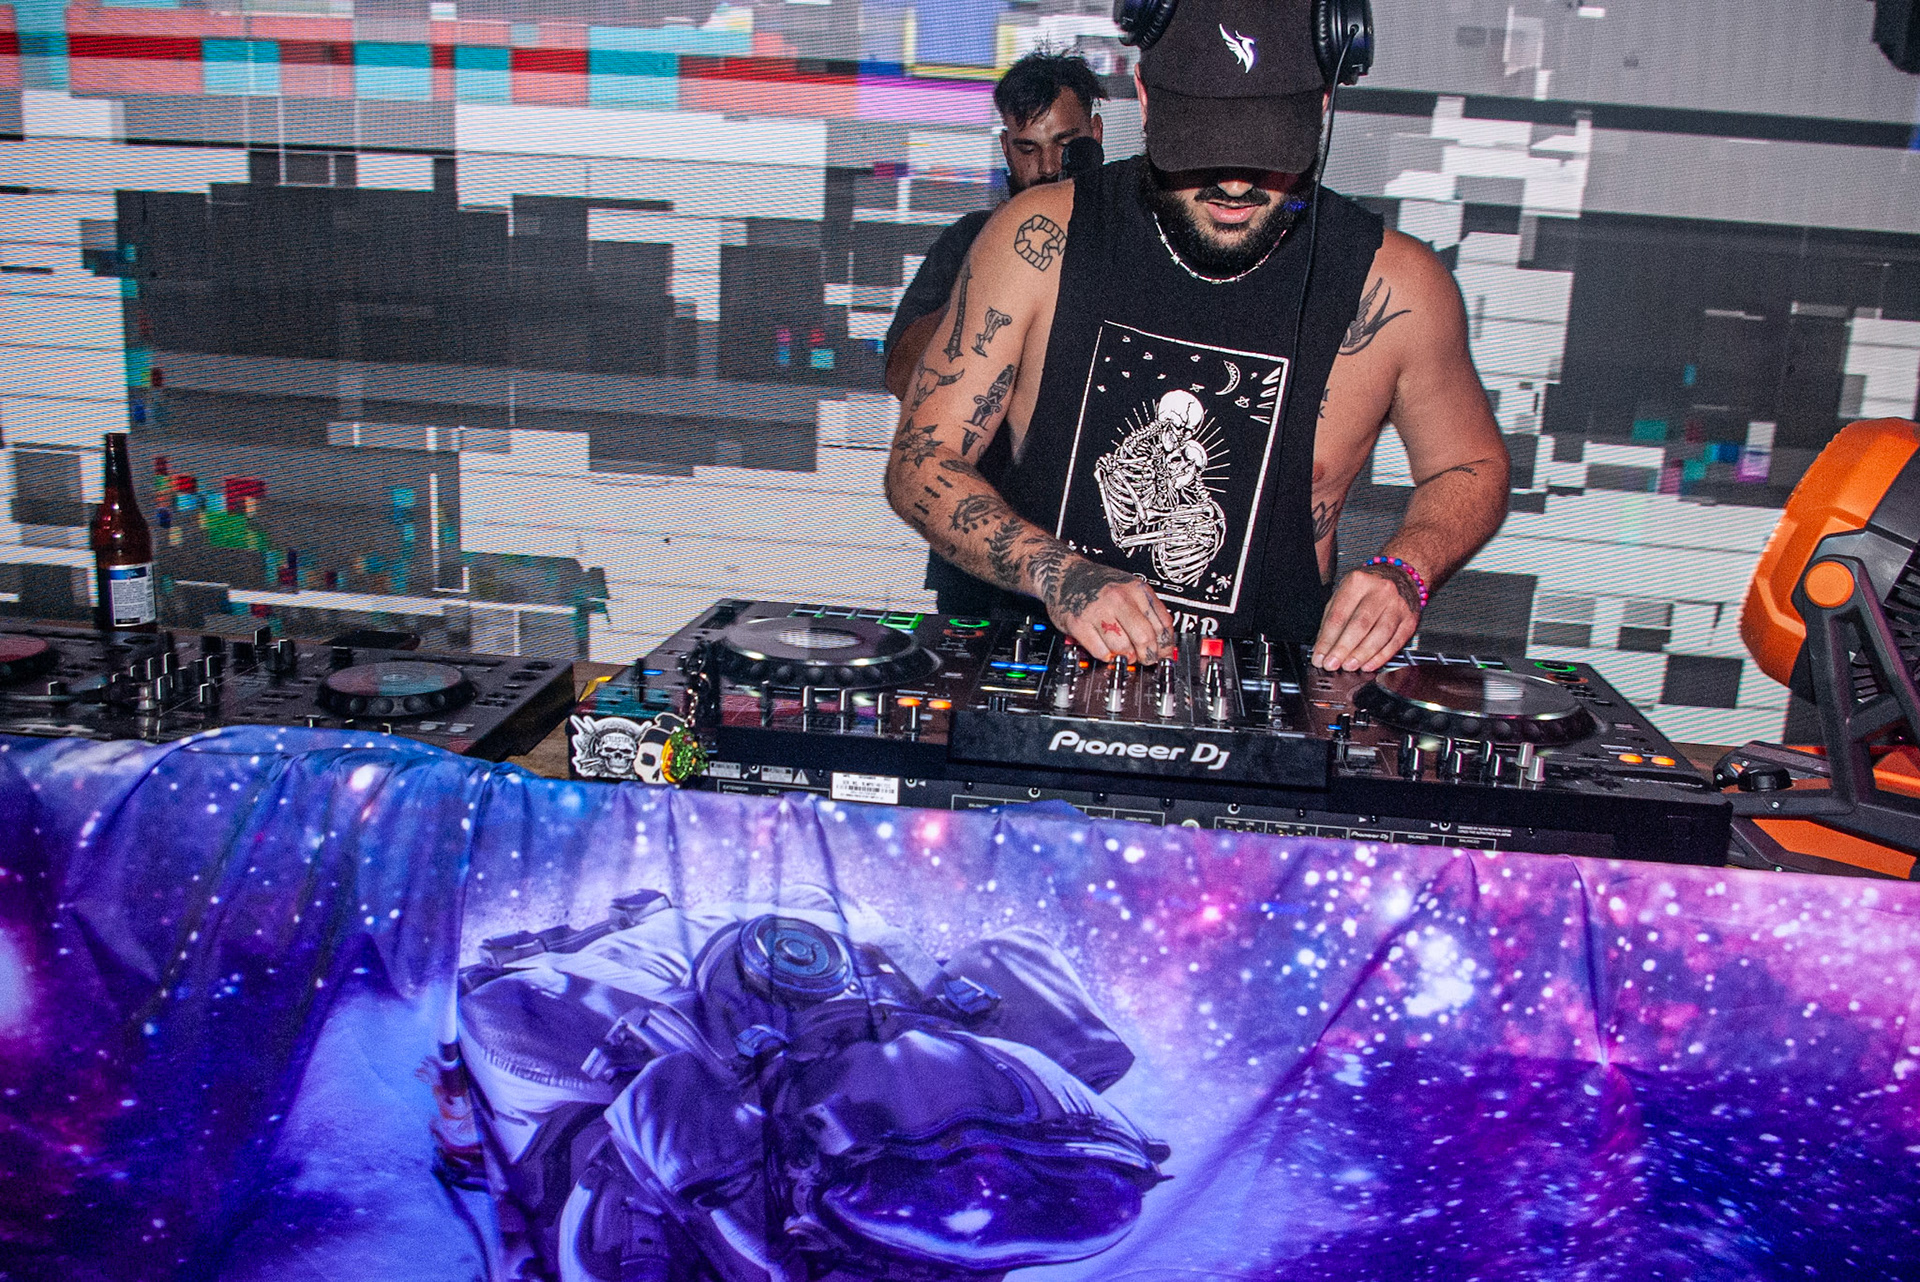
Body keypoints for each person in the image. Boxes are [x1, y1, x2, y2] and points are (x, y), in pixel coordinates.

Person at [884, 0, 1508, 673]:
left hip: (1259, 698)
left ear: (1323, 106)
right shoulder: (1038, 239)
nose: (1235, 183)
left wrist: (1406, 570)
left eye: (1267, 148)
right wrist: (1058, 573)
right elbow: (921, 459)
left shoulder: (1394, 286)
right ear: (1147, 100)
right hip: (1037, 675)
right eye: (1203, 147)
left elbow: (1470, 465)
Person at [882, 49, 1107, 401]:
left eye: (1064, 144)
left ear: (1096, 133)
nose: (1048, 166)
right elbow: (902, 376)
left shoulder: (1134, 230)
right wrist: (988, 265)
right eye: (1028, 149)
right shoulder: (972, 238)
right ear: (1006, 148)